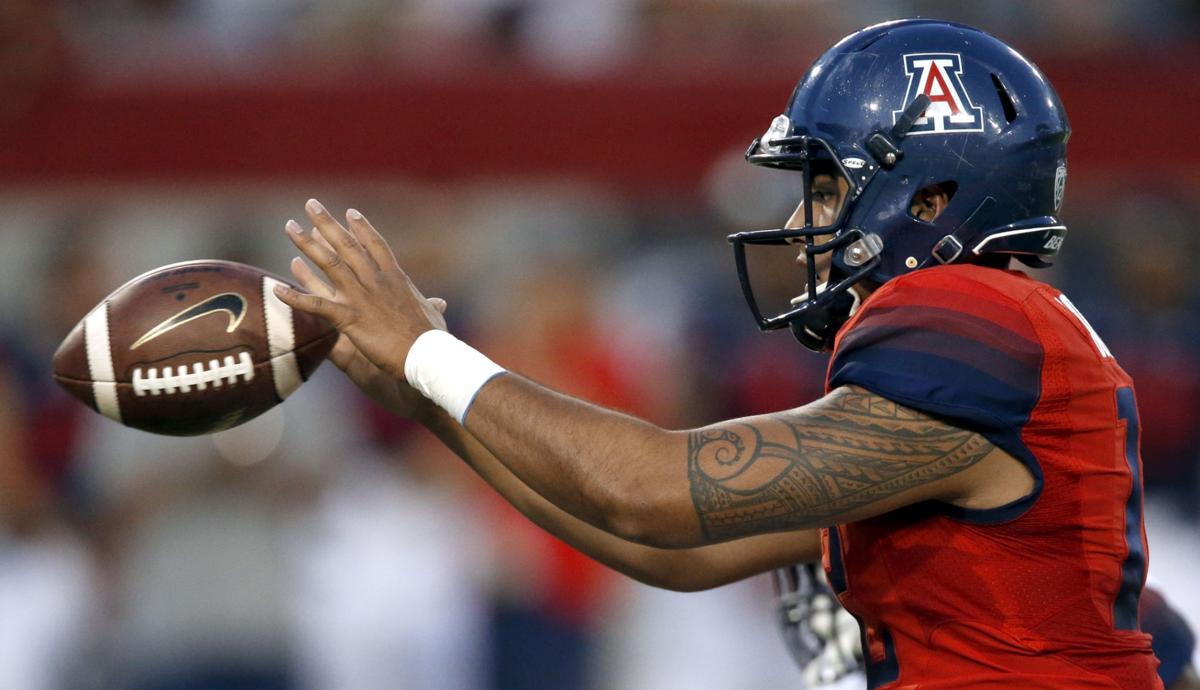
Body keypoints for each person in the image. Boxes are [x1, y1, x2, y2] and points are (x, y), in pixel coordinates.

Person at [273, 18, 1163, 688]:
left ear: (930, 199)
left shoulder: (970, 317)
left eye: (824, 188)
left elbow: (655, 495)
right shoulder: (1000, 346)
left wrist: (431, 352)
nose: (796, 224)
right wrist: (425, 393)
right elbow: (675, 553)